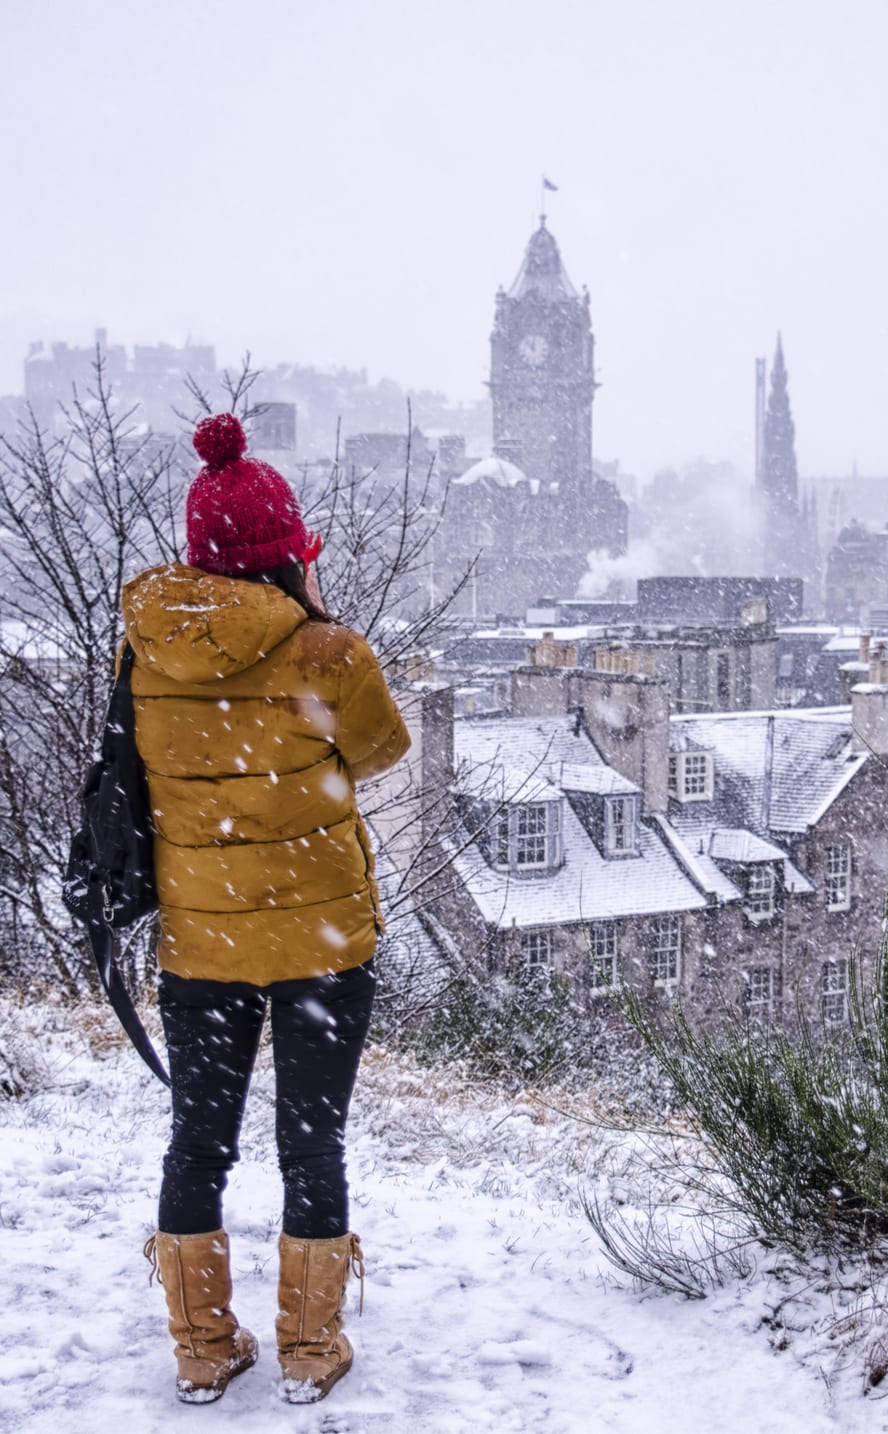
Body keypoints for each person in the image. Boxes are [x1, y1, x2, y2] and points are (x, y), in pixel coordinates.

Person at [126, 412, 410, 1404]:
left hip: (200, 942)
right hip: (321, 942)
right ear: (290, 556)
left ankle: (203, 1348)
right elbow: (381, 755)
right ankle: (308, 1346)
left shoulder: (148, 657)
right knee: (311, 1139)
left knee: (197, 1141)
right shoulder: (327, 655)